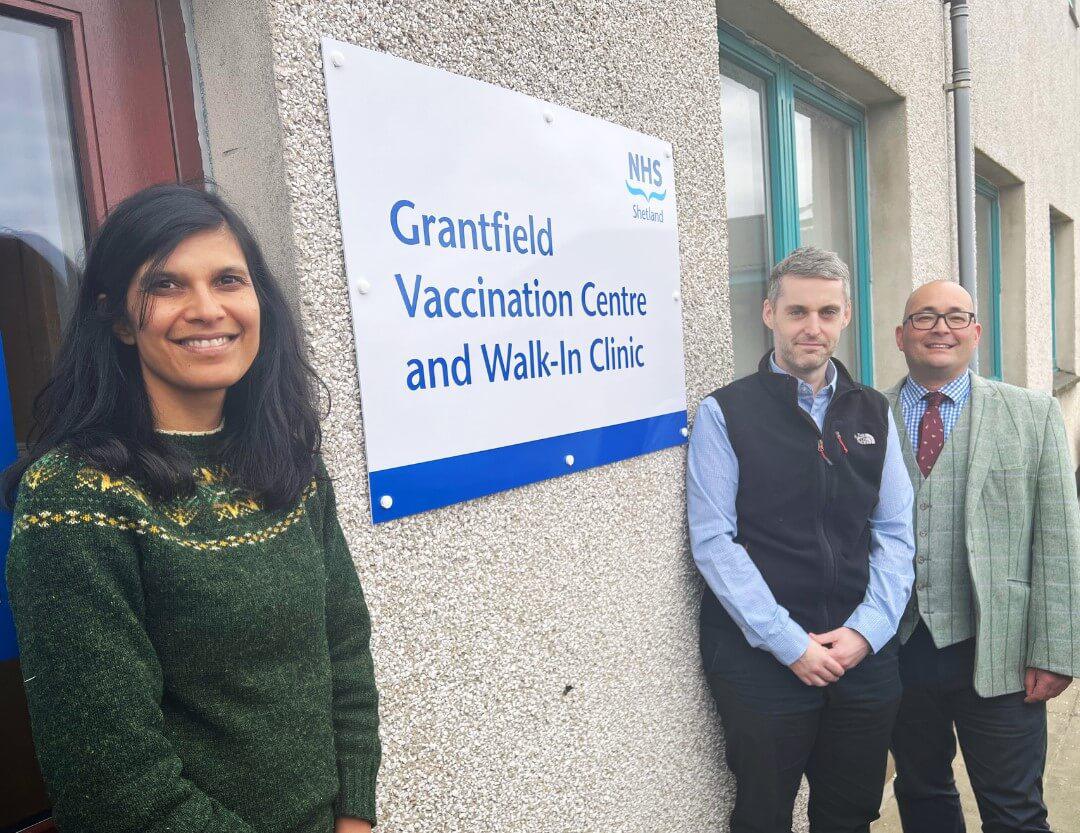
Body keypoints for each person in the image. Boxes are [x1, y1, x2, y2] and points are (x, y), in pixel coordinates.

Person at [3, 184, 380, 833]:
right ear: (120, 320)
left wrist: (355, 817)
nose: (207, 309)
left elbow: (344, 654)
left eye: (228, 279)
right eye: (167, 285)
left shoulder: (288, 465)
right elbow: (111, 782)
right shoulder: (75, 497)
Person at [688, 245, 915, 833]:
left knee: (849, 814)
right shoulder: (725, 412)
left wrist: (867, 631)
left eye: (827, 312)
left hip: (860, 655)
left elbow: (894, 532)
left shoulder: (873, 411)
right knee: (763, 815)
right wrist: (788, 642)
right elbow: (714, 541)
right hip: (762, 659)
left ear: (845, 317)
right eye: (797, 311)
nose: (812, 327)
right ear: (769, 314)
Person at [887, 279, 1080, 833]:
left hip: (1002, 648)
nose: (940, 328)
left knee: (1015, 811)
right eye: (924, 317)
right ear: (901, 335)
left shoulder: (1032, 413)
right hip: (899, 650)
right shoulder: (867, 416)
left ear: (975, 332)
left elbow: (1060, 540)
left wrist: (1056, 650)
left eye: (955, 316)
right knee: (920, 793)